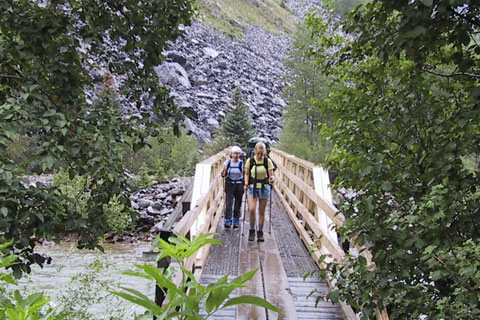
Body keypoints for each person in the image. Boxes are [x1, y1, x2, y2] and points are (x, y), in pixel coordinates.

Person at [244, 142, 275, 241]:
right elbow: (247, 173)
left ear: (264, 152)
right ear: (255, 152)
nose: (260, 156)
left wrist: (272, 179)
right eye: (258, 153)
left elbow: (271, 174)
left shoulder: (267, 161)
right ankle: (252, 230)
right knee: (252, 209)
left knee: (261, 211)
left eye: (262, 154)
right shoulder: (250, 160)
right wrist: (246, 183)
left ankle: (260, 232)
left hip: (264, 187)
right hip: (252, 187)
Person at [221, 146, 244, 229]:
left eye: (237, 153)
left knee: (238, 203)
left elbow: (245, 173)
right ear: (231, 154)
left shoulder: (242, 163)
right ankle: (228, 220)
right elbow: (224, 172)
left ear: (240, 154)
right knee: (229, 202)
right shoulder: (227, 163)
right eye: (234, 153)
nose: (236, 155)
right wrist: (223, 174)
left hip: (239, 184)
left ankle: (236, 220)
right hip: (230, 184)